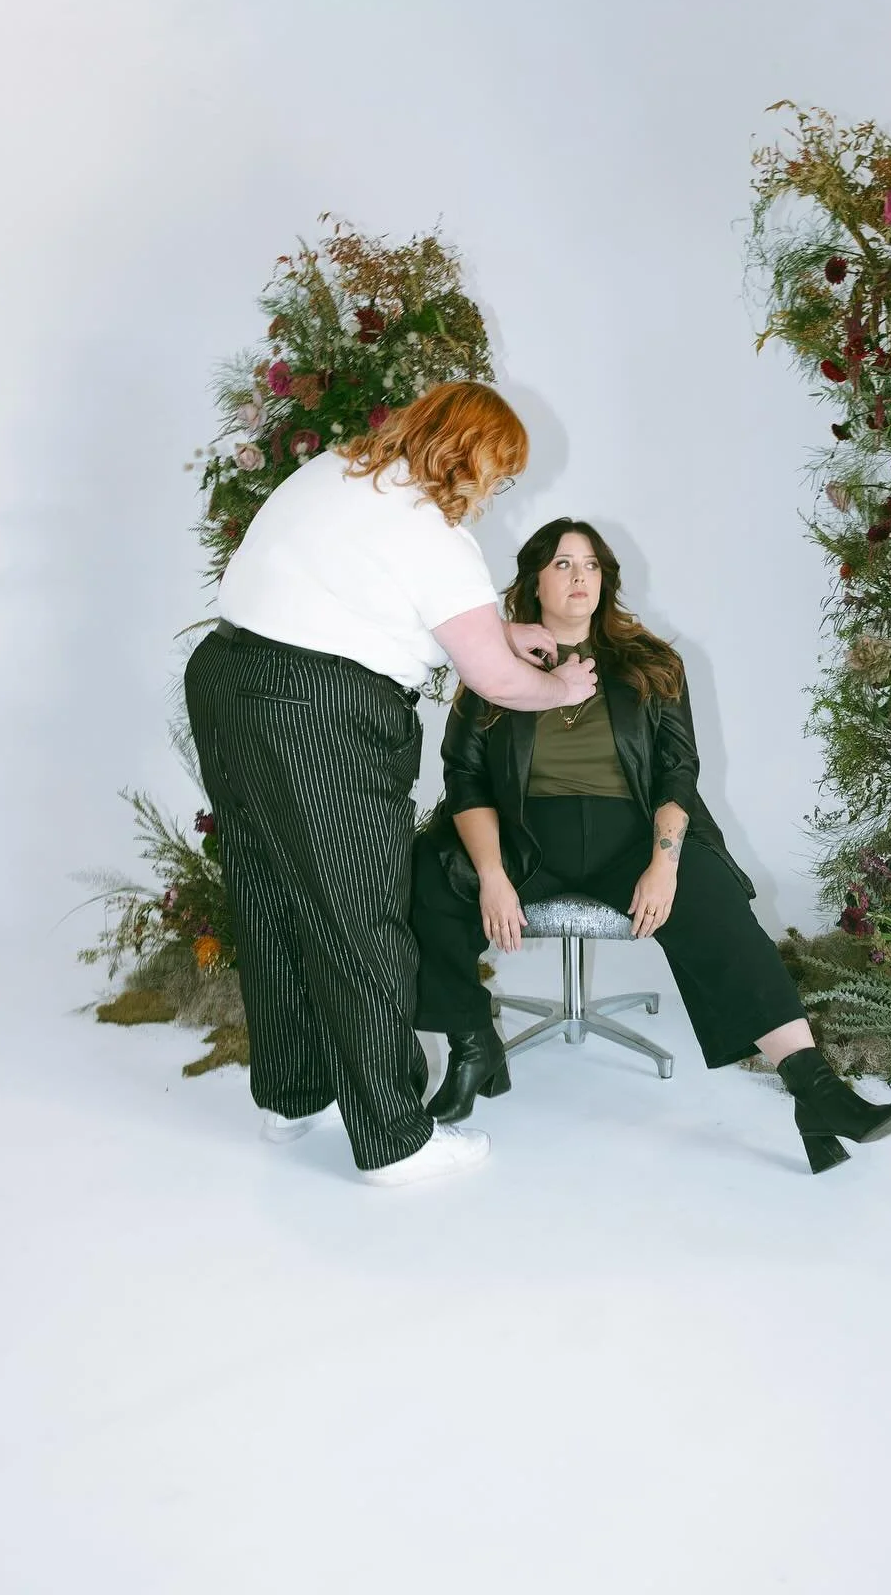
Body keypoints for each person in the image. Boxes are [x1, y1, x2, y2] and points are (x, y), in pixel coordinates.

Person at [183, 384, 593, 1187]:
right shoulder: (433, 534)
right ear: (469, 454)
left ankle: (293, 1095)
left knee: (269, 895)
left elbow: (371, 598)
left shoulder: (338, 473)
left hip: (227, 681)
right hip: (317, 713)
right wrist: (562, 689)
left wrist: (504, 631)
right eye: (498, 474)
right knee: (360, 919)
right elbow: (495, 681)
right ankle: (395, 1138)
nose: (492, 493)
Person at [412, 519, 891, 1174]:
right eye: (562, 564)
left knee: (718, 904)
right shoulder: (496, 664)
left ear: (607, 578)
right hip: (525, 840)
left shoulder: (651, 663)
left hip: (631, 837)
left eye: (590, 565)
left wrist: (664, 862)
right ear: (534, 579)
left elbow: (679, 771)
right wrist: (492, 874)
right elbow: (466, 777)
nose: (579, 578)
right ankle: (472, 1038)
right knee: (428, 870)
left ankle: (816, 1093)